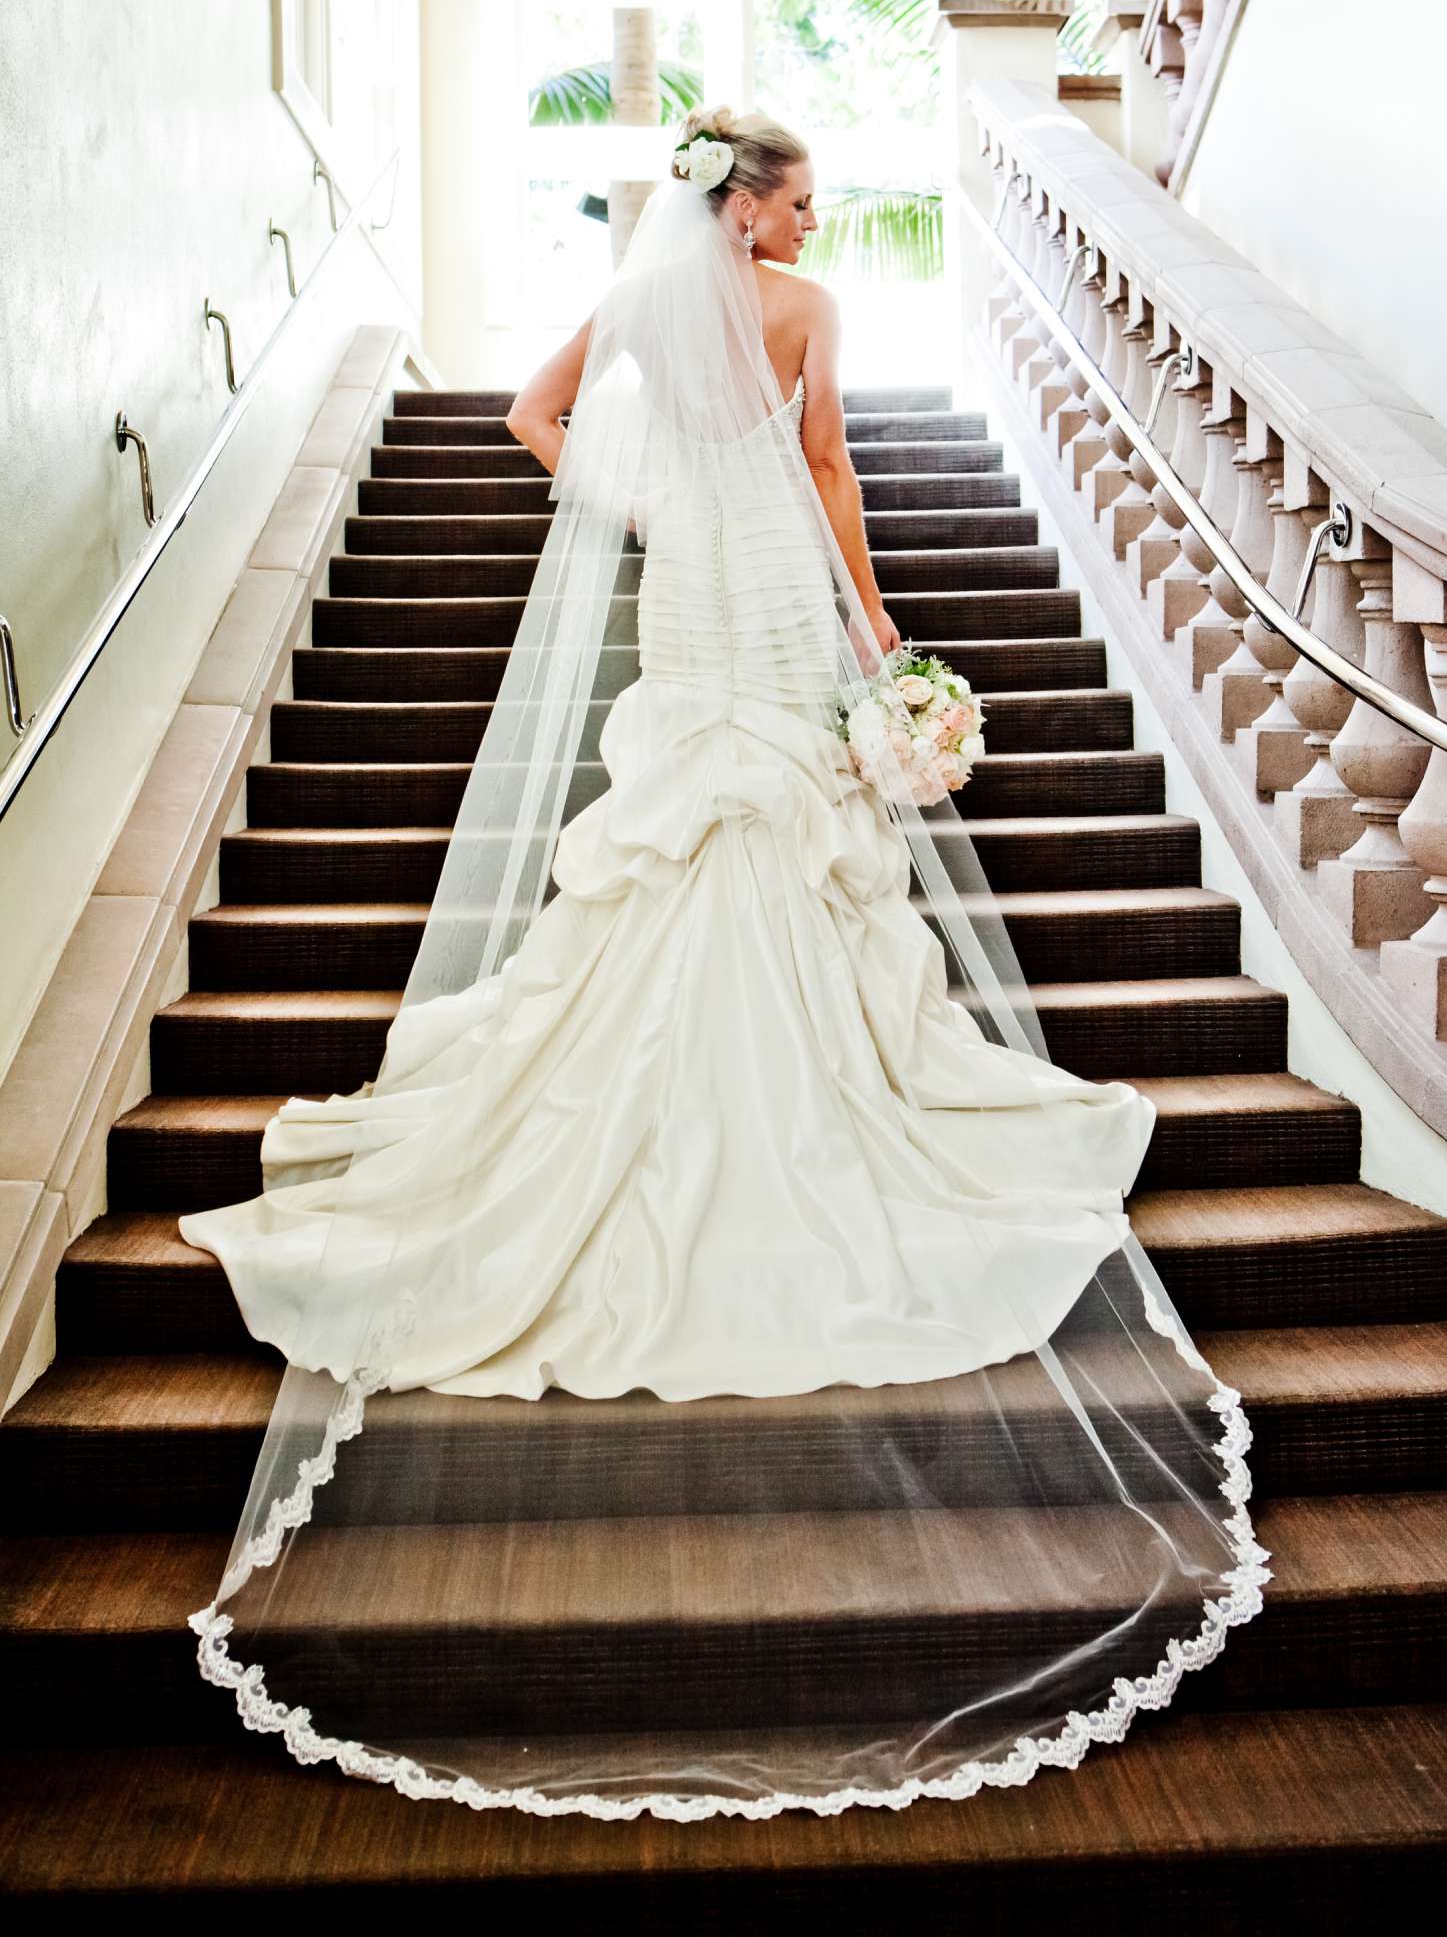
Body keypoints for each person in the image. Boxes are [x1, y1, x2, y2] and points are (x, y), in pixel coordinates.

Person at [179, 105, 1267, 1821]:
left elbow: (536, 419)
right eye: (803, 197)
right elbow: (829, 466)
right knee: (770, 813)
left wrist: (641, 495)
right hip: (765, 569)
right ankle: (801, 1091)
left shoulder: (635, 301)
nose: (813, 218)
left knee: (688, 807)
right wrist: (874, 618)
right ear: (748, 204)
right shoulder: (804, 308)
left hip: (686, 569)